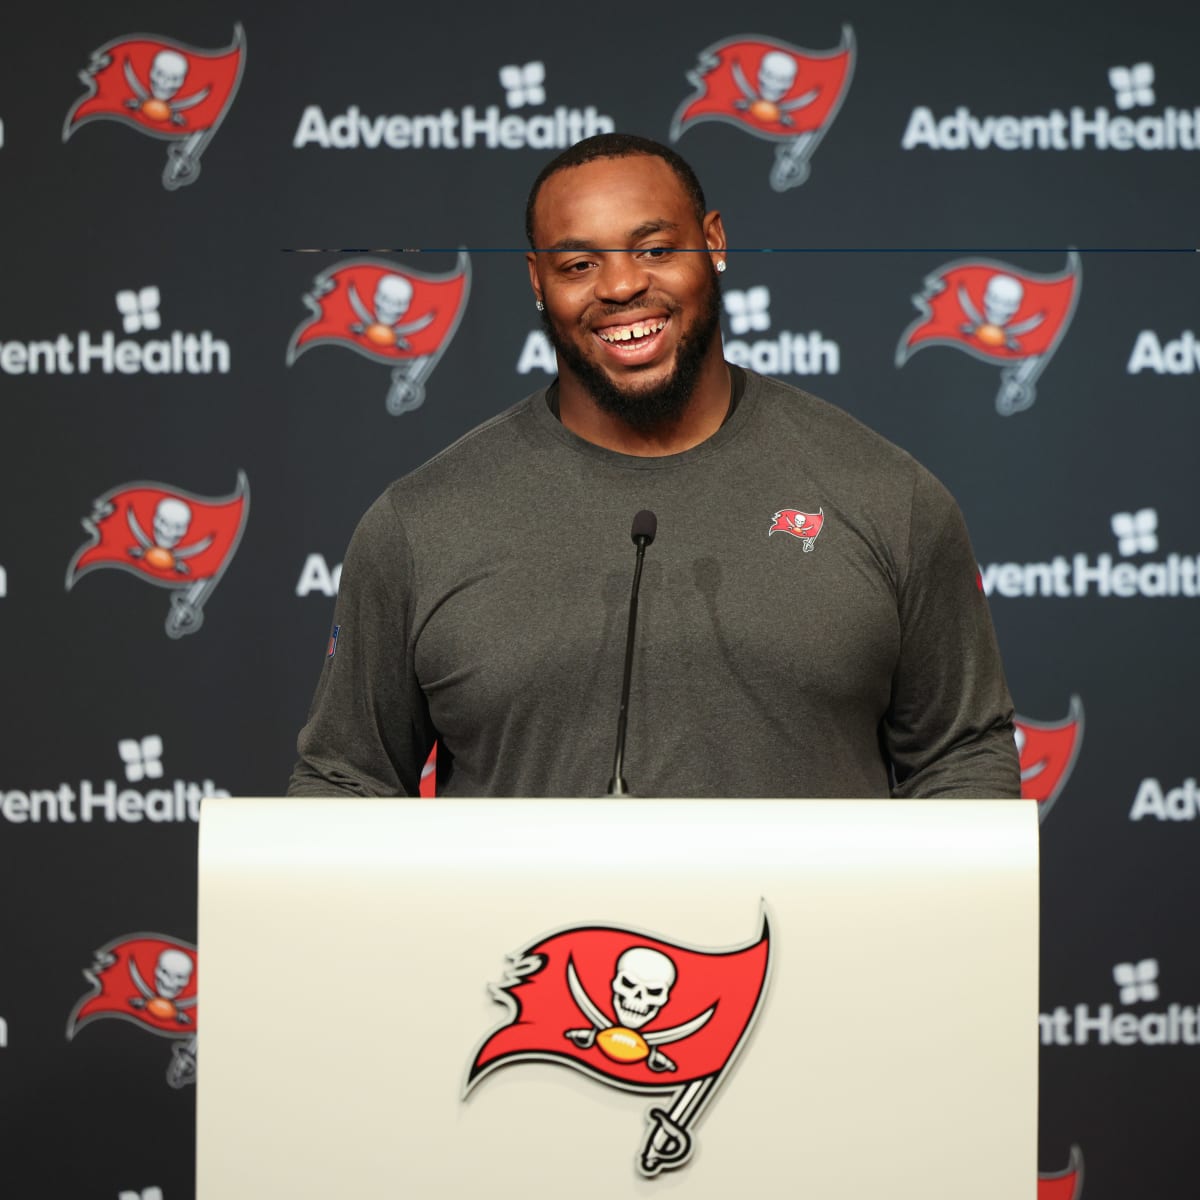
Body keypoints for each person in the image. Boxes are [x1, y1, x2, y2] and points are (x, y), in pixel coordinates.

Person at [288, 133, 1019, 800]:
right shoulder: (421, 525)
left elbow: (961, 762)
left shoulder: (887, 497)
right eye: (578, 264)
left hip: (808, 947)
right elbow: (343, 782)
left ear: (715, 243)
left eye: (655, 250)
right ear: (538, 282)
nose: (619, 288)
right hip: (530, 949)